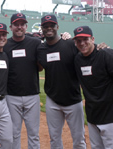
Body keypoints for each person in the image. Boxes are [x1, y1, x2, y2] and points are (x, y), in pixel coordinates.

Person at [73, 25, 113, 149]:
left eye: (85, 39)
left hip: (112, 117)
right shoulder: (78, 59)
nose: (82, 43)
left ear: (93, 39)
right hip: (93, 117)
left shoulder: (106, 54)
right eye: (78, 41)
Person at [38, 14, 87, 149]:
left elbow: (87, 53)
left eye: (52, 26)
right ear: (42, 29)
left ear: (57, 27)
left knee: (79, 139)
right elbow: (39, 66)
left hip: (73, 100)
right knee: (54, 139)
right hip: (52, 100)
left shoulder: (70, 44)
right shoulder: (41, 49)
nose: (49, 28)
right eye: (45, 26)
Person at [3, 13, 43, 149]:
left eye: (22, 24)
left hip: (32, 95)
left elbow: (41, 66)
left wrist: (66, 38)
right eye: (16, 24)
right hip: (11, 96)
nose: (19, 27)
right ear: (11, 27)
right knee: (13, 133)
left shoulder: (36, 43)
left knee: (34, 134)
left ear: (26, 27)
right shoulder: (5, 44)